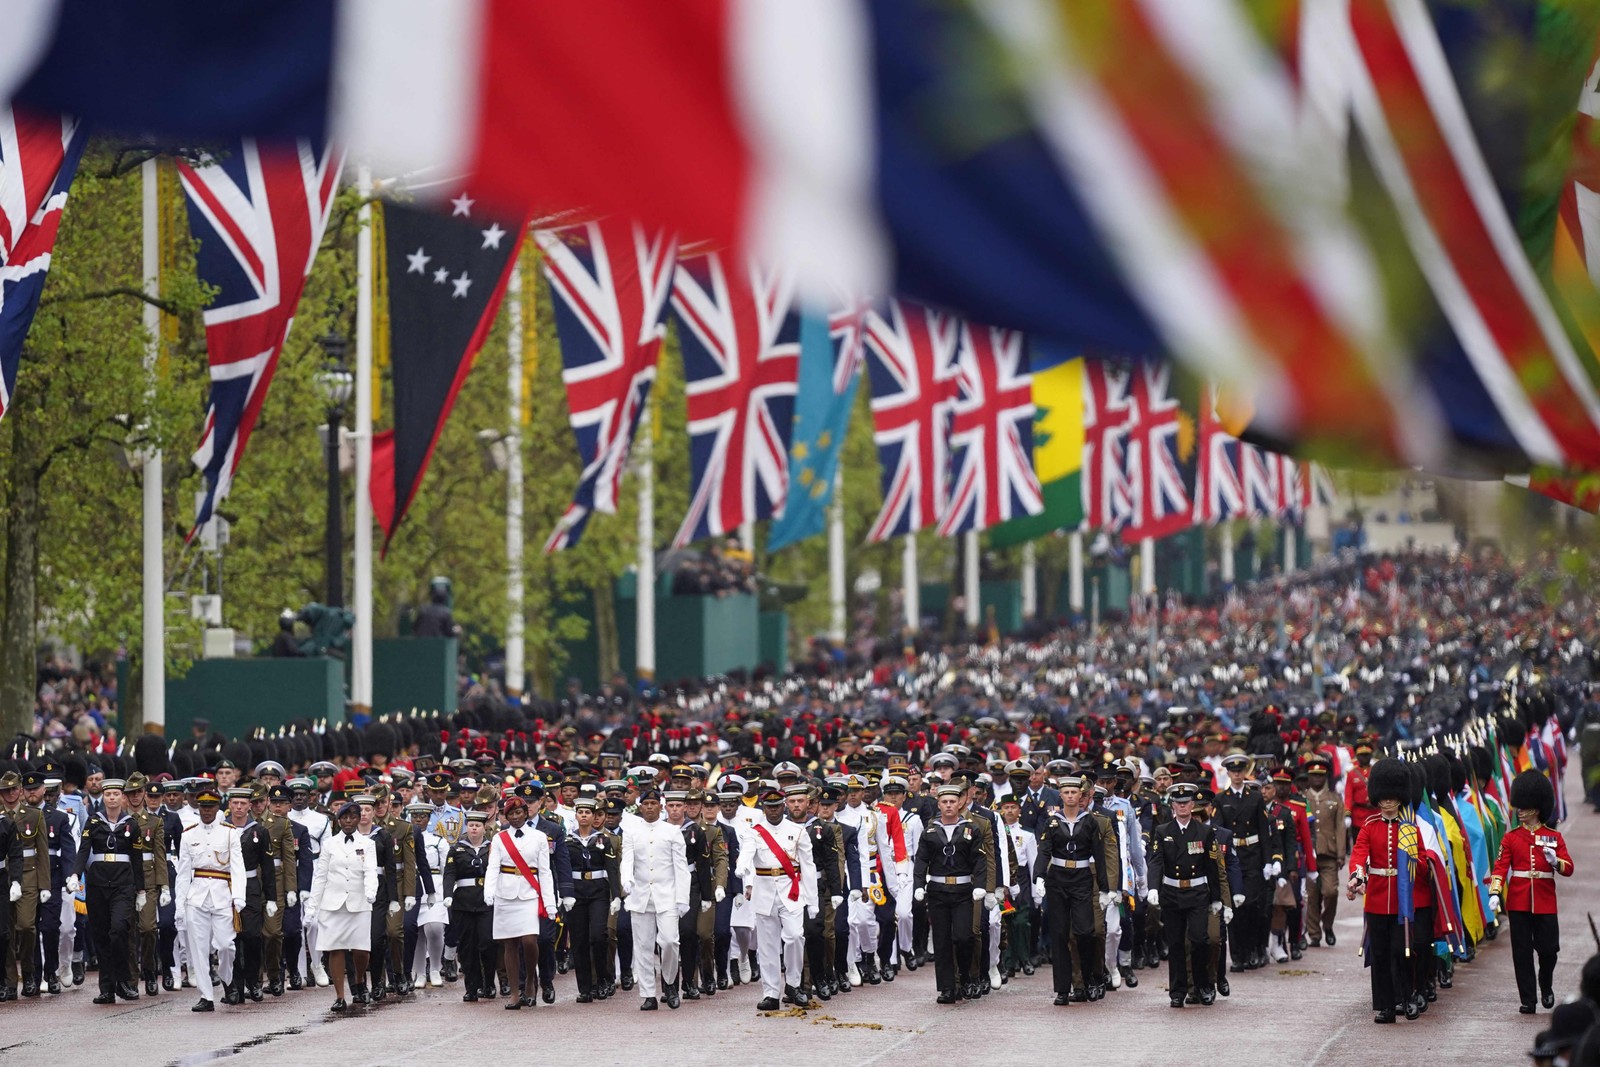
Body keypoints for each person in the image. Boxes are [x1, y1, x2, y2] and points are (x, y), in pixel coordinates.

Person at [1490, 770, 1575, 1014]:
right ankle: (1528, 999)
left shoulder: (1554, 837)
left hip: (1545, 901)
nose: (1520, 810)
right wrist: (1495, 892)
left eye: (1525, 807)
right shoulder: (1511, 838)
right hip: (1518, 901)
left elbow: (1568, 868)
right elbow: (1500, 868)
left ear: (1536, 808)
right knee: (1522, 953)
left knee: (1549, 950)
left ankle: (1545, 984)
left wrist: (1555, 860)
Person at [1347, 757, 1416, 1023]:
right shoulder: (1370, 826)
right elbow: (1359, 854)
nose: (1387, 801)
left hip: (1401, 899)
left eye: (1392, 797)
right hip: (1376, 898)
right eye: (1383, 797)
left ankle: (1406, 997)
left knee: (1402, 950)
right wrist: (1357, 876)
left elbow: (1418, 864)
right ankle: (1386, 1005)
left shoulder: (1409, 829)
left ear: (1399, 797)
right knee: (1381, 954)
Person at [736, 785, 817, 1010]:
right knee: (768, 945)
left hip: (790, 889)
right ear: (764, 807)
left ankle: (793, 984)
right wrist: (742, 868)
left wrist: (812, 901)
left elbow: (808, 867)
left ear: (784, 806)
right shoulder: (754, 831)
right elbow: (747, 853)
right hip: (764, 890)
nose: (773, 811)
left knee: (795, 937)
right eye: (769, 806)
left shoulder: (797, 830)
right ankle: (771, 992)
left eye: (777, 806)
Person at [1145, 782, 1224, 1009]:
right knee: (1176, 943)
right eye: (1178, 803)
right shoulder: (1163, 831)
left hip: (1198, 892)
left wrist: (1217, 897)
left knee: (1200, 940)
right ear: (1172, 806)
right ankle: (1177, 990)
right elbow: (1156, 861)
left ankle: (1203, 986)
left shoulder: (1205, 831)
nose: (1182, 806)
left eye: (1186, 803)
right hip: (1171, 892)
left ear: (1192, 805)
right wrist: (1153, 887)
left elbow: (1212, 866)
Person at [1036, 774, 1113, 1005]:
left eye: (1074, 793)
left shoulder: (1090, 821)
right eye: (1066, 793)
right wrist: (1039, 877)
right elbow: (1044, 851)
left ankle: (1089, 978)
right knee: (1059, 934)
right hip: (1058, 879)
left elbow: (1099, 856)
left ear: (1081, 796)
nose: (1070, 796)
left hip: (1081, 878)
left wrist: (1105, 889)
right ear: (1060, 795)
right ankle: (1062, 989)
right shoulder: (1052, 821)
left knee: (1084, 931)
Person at [912, 782, 986, 1004]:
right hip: (938, 891)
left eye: (953, 801)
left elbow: (980, 860)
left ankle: (965, 977)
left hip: (963, 891)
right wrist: (918, 885)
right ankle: (946, 987)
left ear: (959, 803)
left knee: (964, 937)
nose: (949, 806)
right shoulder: (930, 831)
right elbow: (921, 860)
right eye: (944, 802)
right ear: (939, 804)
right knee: (942, 940)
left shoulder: (971, 829)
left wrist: (980, 885)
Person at [73, 777, 144, 1003]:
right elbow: (83, 851)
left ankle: (124, 981)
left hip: (123, 884)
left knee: (118, 930)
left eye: (116, 794)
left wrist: (141, 890)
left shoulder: (131, 824)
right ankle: (107, 988)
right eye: (108, 795)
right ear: (103, 797)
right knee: (101, 936)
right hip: (98, 884)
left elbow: (137, 859)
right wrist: (75, 875)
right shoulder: (94, 822)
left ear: (122, 797)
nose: (112, 798)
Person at [173, 787, 245, 1011]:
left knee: (226, 946)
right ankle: (207, 996)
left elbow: (238, 869)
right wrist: (179, 905)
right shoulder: (188, 834)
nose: (206, 811)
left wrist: (239, 897)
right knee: (199, 949)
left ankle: (227, 978)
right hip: (197, 896)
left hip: (223, 894)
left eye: (211, 806)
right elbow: (183, 873)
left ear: (218, 808)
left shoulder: (230, 832)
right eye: (203, 807)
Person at [620, 788, 690, 1010]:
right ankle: (648, 994)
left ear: (661, 806)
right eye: (645, 804)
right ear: (640, 806)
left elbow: (681, 867)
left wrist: (683, 898)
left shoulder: (671, 831)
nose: (649, 807)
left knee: (670, 941)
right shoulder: (631, 831)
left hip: (667, 894)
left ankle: (669, 983)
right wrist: (626, 880)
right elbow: (627, 859)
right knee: (643, 945)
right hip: (640, 895)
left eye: (653, 803)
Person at [483, 794, 555, 1010]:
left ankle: (531, 981)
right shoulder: (499, 838)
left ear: (526, 813)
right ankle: (515, 993)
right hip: (505, 893)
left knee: (530, 941)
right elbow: (492, 867)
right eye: (510, 814)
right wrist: (489, 891)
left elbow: (545, 871)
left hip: (529, 893)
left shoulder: (539, 837)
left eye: (518, 812)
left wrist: (550, 902)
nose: (515, 817)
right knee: (510, 944)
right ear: (505, 816)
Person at [308, 800, 379, 1011]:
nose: (348, 821)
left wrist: (370, 891)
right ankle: (339, 996)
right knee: (335, 948)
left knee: (361, 949)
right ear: (338, 820)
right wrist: (313, 906)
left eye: (352, 817)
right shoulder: (330, 844)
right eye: (344, 817)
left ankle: (358, 980)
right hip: (333, 903)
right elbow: (320, 876)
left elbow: (370, 870)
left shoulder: (368, 844)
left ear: (359, 819)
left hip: (359, 901)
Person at [567, 796, 620, 1003]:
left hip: (598, 891)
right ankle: (585, 987)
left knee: (598, 936)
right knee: (579, 941)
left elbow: (612, 869)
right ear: (576, 815)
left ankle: (604, 979)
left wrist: (616, 896)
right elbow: (562, 869)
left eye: (588, 813)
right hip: (576, 892)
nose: (584, 816)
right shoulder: (568, 840)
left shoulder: (604, 840)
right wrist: (564, 894)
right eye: (580, 812)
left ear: (593, 816)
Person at [442, 810, 497, 1002]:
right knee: (467, 947)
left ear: (484, 828)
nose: (474, 828)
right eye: (471, 825)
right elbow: (449, 874)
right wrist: (448, 895)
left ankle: (489, 983)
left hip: (486, 900)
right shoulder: (457, 849)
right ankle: (472, 988)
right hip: (463, 902)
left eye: (478, 825)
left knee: (487, 943)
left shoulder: (492, 848)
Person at [1300, 755, 1347, 949]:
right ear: (1309, 777)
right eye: (1314, 776)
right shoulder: (1303, 799)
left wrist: (1341, 855)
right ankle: (1314, 933)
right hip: (1309, 854)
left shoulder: (1335, 799)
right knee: (1311, 896)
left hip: (1329, 853)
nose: (1317, 779)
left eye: (1321, 775)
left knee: (1330, 892)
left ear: (1326, 776)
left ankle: (1327, 925)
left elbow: (1340, 828)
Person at [408, 801, 449, 988]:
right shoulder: (404, 837)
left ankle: (435, 967)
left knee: (435, 928)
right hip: (412, 885)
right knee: (415, 932)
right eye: (415, 816)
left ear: (429, 818)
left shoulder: (438, 841)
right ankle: (419, 972)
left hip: (434, 886)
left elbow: (445, 869)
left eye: (422, 816)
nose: (418, 820)